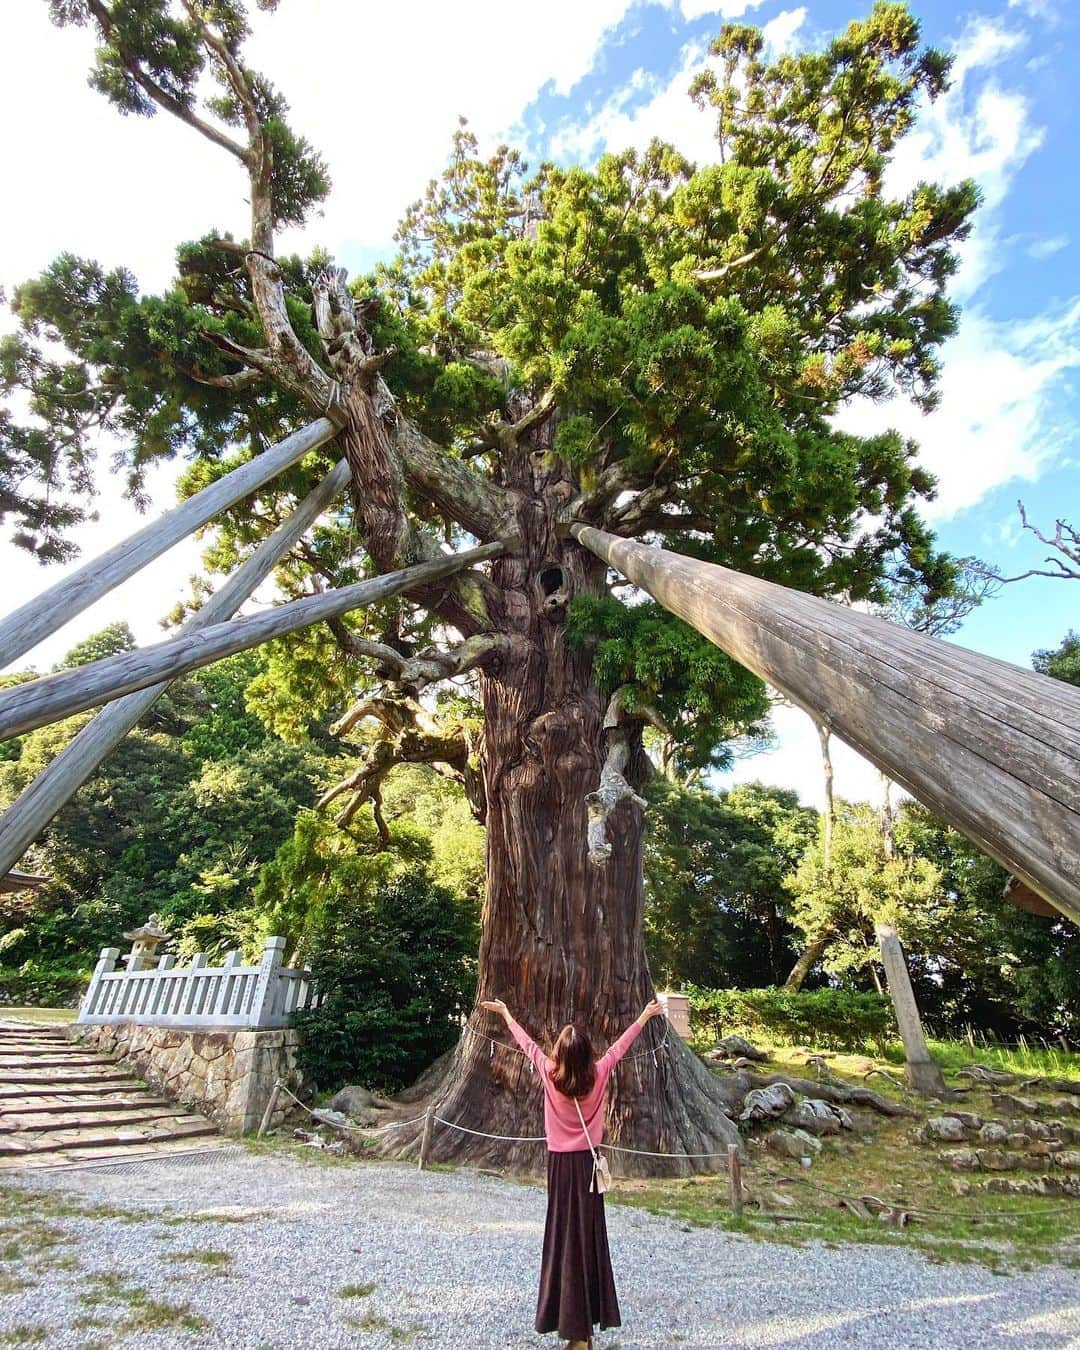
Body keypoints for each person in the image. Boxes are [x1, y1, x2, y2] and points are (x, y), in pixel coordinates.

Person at [480, 995, 666, 1350]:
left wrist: (506, 1012)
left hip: (561, 1166)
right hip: (589, 1166)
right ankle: (583, 1328)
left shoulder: (550, 1074)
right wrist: (644, 1015)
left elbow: (526, 1044)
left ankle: (574, 1329)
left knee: (564, 1241)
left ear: (562, 1055)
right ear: (587, 1055)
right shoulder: (599, 1072)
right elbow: (622, 1045)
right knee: (588, 1240)